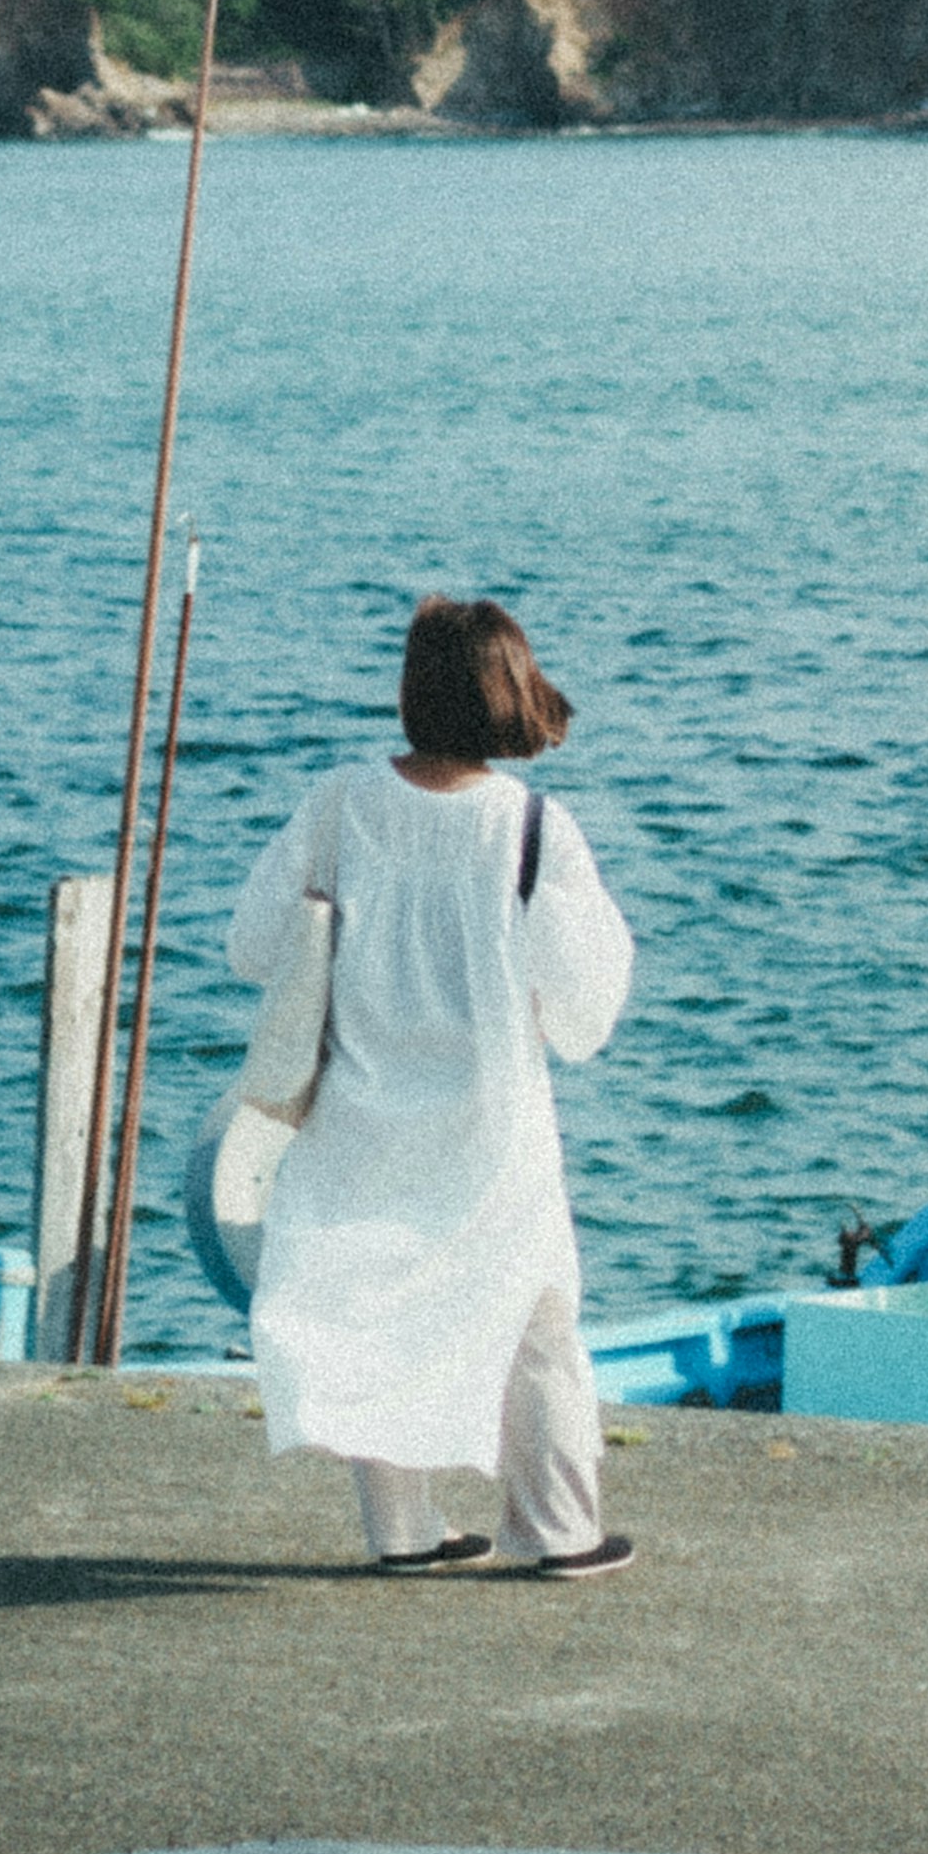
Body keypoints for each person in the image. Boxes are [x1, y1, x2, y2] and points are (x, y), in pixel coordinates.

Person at [223, 592, 637, 1578]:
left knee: (374, 1312)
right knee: (535, 1316)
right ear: (508, 691)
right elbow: (584, 1010)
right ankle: (559, 1528)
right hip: (492, 1122)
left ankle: (403, 1531)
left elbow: (251, 943)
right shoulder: (533, 827)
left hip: (358, 1109)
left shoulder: (340, 802)